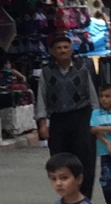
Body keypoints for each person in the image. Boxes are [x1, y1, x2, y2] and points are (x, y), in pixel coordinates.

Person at [36, 35, 98, 163]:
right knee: (59, 158)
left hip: (81, 117)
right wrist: (42, 124)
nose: (63, 51)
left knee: (85, 155)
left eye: (66, 47)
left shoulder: (82, 69)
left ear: (71, 50)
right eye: (58, 48)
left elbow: (92, 95)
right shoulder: (46, 72)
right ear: (52, 52)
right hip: (58, 119)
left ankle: (84, 177)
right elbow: (41, 97)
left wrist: (97, 120)